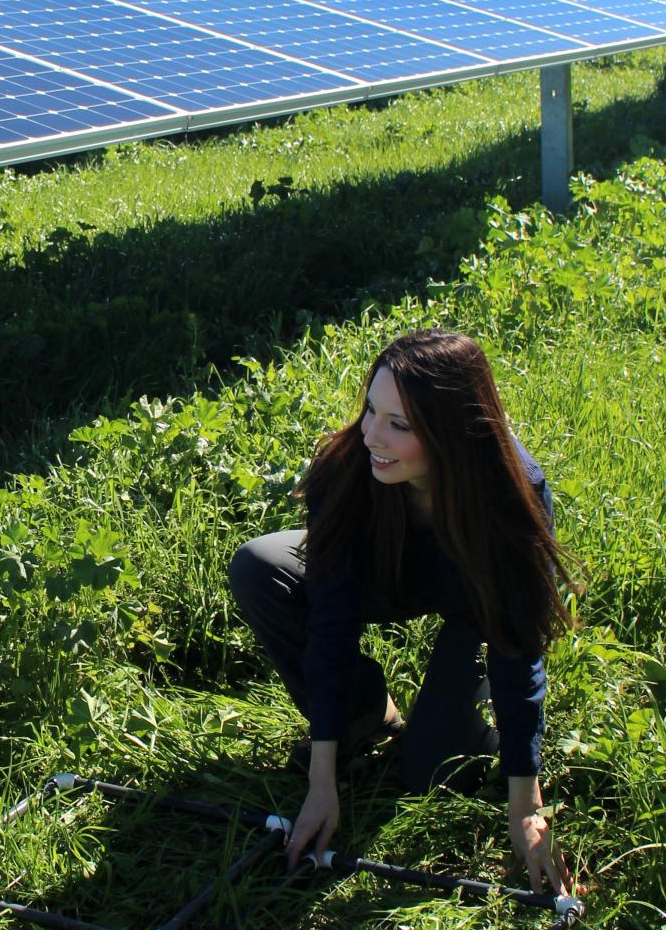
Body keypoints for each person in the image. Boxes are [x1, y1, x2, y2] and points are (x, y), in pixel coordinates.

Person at [228, 329, 576, 895]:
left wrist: (525, 807)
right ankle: (367, 717)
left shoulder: (513, 490)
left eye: (399, 424)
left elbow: (519, 647)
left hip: (471, 604)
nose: (371, 435)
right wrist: (324, 775)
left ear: (451, 432)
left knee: (427, 773)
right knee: (256, 566)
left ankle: (465, 702)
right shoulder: (349, 468)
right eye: (371, 410)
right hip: (385, 577)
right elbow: (330, 624)